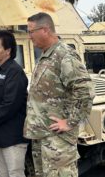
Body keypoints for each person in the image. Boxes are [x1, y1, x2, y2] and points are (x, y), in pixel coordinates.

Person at [23, 12, 95, 177]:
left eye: (31, 31)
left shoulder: (64, 55)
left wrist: (70, 122)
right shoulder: (47, 55)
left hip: (58, 140)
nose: (29, 36)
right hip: (43, 136)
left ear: (45, 30)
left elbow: (86, 91)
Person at [0, 30, 30, 177]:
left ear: (8, 51)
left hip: (12, 135)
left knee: (14, 173)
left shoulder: (15, 72)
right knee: (1, 173)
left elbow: (10, 103)